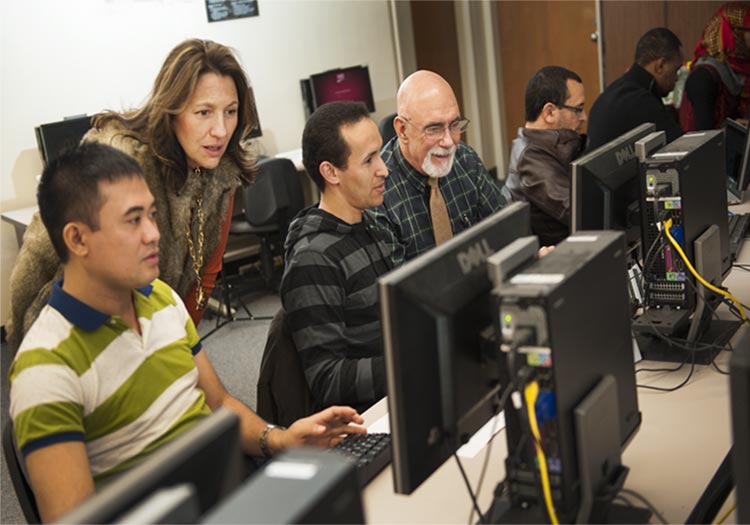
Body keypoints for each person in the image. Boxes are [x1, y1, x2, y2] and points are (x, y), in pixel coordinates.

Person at [9, 143, 364, 523]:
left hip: (232, 494)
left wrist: (280, 439)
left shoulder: (161, 298)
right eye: (133, 220)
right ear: (77, 239)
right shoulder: (45, 369)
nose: (153, 234)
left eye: (152, 214)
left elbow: (219, 405)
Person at [8, 38, 255, 351]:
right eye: (204, 112)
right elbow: (38, 255)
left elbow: (205, 276)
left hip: (154, 330)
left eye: (230, 111)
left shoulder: (222, 174)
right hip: (78, 332)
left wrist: (179, 346)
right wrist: (23, 345)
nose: (220, 130)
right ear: (172, 110)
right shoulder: (119, 159)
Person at [280, 101, 392, 412]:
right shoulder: (314, 259)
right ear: (331, 172)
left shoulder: (370, 226)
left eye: (379, 154)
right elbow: (327, 378)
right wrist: (407, 361)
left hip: (396, 394)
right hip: (368, 414)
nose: (384, 169)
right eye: (369, 160)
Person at [365, 70, 507, 266]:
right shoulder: (377, 190)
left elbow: (505, 229)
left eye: (455, 124)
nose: (449, 142)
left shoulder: (464, 159)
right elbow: (400, 289)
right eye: (434, 128)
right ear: (402, 130)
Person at [504, 66, 587, 246]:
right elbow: (581, 213)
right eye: (578, 109)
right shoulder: (530, 158)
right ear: (549, 113)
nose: (584, 117)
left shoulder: (551, 145)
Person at [587, 28, 684, 151]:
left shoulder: (619, 90)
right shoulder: (640, 100)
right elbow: (681, 147)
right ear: (661, 65)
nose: (676, 78)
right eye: (676, 70)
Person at [679, 2, 750, 131]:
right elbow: (704, 134)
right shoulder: (704, 75)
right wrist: (734, 127)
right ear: (734, 33)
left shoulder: (740, 70)